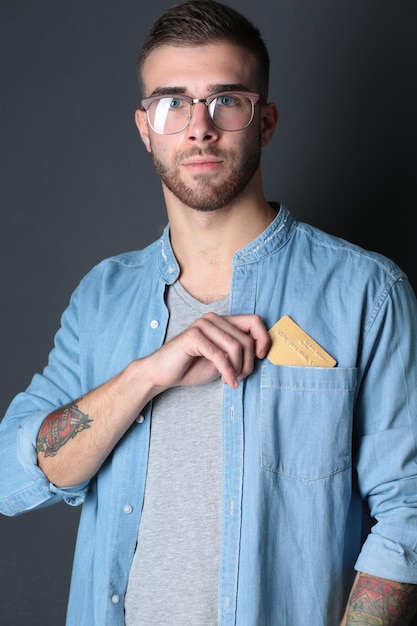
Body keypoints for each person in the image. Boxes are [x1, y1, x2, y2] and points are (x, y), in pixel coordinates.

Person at [1, 0, 417, 624]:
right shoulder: (102, 296)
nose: (199, 127)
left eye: (226, 100)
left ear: (265, 120)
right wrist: (146, 376)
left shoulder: (366, 293)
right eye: (172, 102)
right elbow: (16, 472)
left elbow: (407, 514)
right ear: (145, 128)